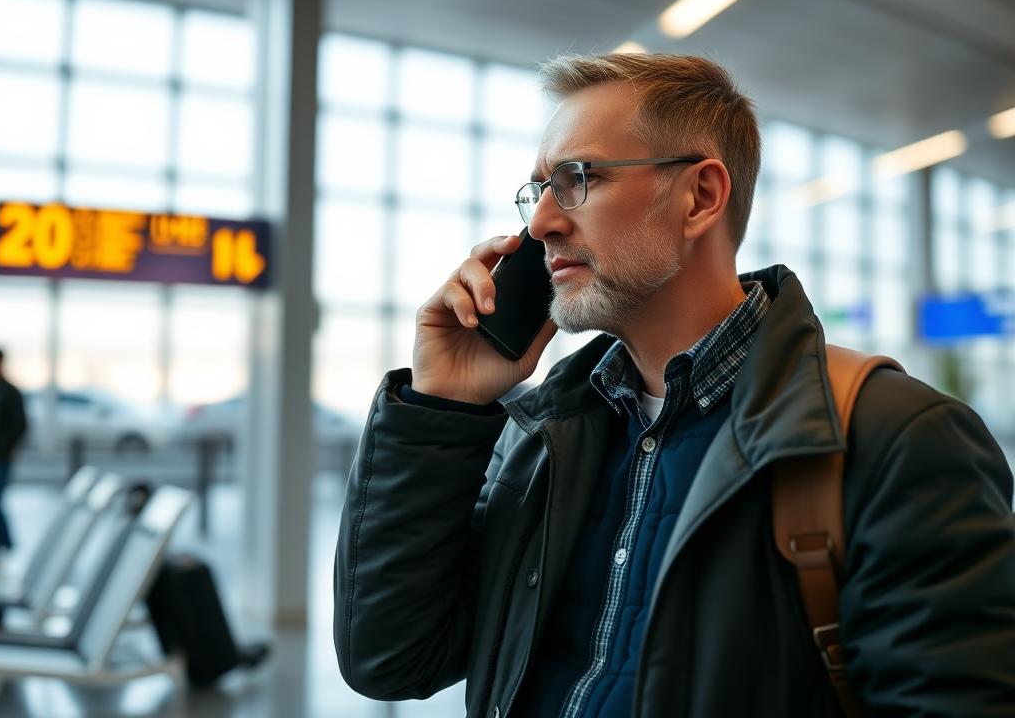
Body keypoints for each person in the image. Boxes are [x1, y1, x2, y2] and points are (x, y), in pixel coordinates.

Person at [333, 54, 1015, 717]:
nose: (540, 222)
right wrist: (442, 404)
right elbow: (394, 661)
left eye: (577, 178)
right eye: (537, 189)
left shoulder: (895, 437)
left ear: (701, 196)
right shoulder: (547, 434)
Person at [0, 347, 27, 568]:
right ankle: (5, 541)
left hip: (0, 456)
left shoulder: (10, 392)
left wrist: (5, 447)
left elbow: (20, 425)